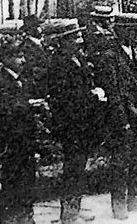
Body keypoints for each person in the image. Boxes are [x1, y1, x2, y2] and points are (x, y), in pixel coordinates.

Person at [41, 18, 108, 223]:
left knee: (78, 168)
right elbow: (66, 99)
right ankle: (69, 215)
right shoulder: (58, 63)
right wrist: (93, 95)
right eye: (74, 37)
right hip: (71, 124)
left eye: (79, 36)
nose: (79, 40)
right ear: (62, 42)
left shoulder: (76, 57)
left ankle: (74, 209)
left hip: (82, 123)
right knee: (73, 169)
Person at [96, 12, 137, 220]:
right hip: (123, 118)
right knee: (120, 164)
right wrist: (122, 121)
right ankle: (119, 205)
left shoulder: (135, 53)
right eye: (132, 29)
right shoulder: (109, 57)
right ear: (120, 31)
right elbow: (113, 93)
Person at [0, 41, 45, 224]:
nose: (23, 60)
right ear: (6, 59)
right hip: (11, 141)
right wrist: (29, 105)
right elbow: (4, 109)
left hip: (25, 140)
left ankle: (26, 218)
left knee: (27, 182)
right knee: (12, 184)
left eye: (23, 56)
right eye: (18, 56)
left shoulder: (22, 81)